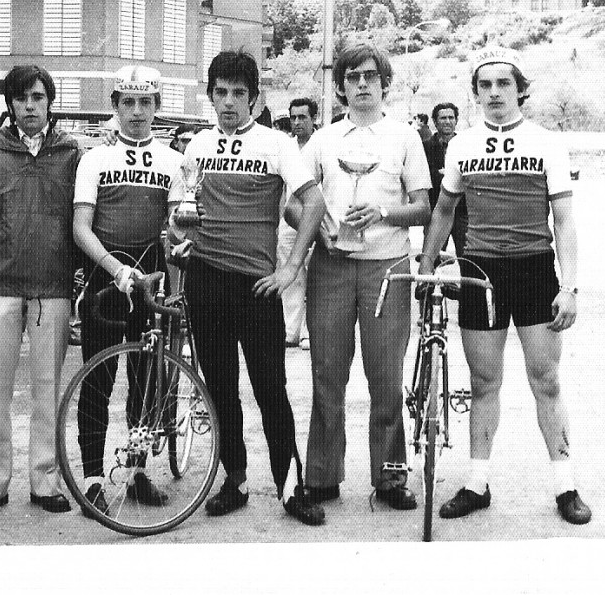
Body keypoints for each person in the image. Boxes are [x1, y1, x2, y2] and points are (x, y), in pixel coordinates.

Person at [420, 46, 591, 525]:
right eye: (485, 86)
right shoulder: (462, 144)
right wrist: (430, 264)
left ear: (520, 90)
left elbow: (564, 219)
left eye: (503, 84)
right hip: (480, 272)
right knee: (484, 383)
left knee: (547, 380)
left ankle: (566, 486)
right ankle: (477, 484)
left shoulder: (546, 141)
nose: (494, 93)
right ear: (476, 94)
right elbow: (444, 210)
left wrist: (570, 287)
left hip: (535, 270)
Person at [174, 50, 327, 526]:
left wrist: (289, 268)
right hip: (205, 281)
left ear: (256, 98)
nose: (229, 102)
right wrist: (180, 240)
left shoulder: (277, 143)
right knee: (220, 390)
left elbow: (314, 203)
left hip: (256, 287)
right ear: (210, 95)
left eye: (239, 93)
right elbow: (183, 211)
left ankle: (289, 488)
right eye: (220, 92)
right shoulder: (197, 146)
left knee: (271, 391)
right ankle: (234, 480)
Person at [296, 42, 431, 511]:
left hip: (388, 267)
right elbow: (292, 204)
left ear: (384, 82)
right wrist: (320, 230)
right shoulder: (322, 140)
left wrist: (384, 211)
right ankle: (323, 476)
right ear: (339, 88)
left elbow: (424, 207)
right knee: (327, 375)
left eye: (370, 76)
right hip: (331, 268)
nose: (361, 85)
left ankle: (391, 478)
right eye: (352, 78)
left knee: (385, 378)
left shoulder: (405, 137)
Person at [0, 65, 81, 517]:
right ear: (10, 104)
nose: (30, 106)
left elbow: (82, 221)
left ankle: (44, 480)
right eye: (21, 98)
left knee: (46, 390)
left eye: (37, 97)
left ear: (50, 101)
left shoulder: (73, 153)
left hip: (51, 289)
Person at [71, 65, 184, 516]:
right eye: (128, 103)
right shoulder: (94, 158)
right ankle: (94, 478)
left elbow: (176, 227)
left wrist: (176, 271)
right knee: (98, 378)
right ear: (115, 105)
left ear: (157, 107)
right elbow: (81, 228)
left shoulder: (174, 160)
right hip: (106, 276)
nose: (137, 112)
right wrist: (115, 268)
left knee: (145, 377)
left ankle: (137, 471)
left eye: (146, 103)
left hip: (151, 277)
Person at [279, 97, 318, 349]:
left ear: (313, 118)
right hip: (288, 220)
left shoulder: (322, 144)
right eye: (293, 118)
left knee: (314, 274)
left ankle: (308, 332)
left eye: (302, 117)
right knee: (289, 274)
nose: (297, 123)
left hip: (315, 218)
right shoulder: (286, 146)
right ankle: (290, 330)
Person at [422, 102, 468, 255]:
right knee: (431, 258)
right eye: (443, 118)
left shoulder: (466, 146)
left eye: (451, 117)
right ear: (435, 122)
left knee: (467, 257)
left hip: (463, 211)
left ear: (456, 120)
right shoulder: (425, 147)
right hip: (436, 210)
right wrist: (445, 175)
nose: (447, 121)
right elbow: (423, 175)